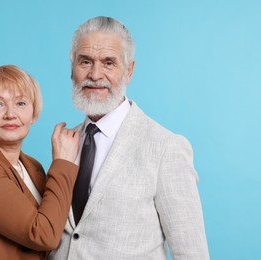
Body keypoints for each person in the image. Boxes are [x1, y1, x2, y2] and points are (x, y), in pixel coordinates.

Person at [49, 16, 209, 259]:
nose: (95, 74)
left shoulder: (166, 148)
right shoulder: (65, 142)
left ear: (129, 70)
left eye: (109, 63)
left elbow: (192, 253)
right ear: (72, 68)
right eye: (85, 61)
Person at [0, 65, 80, 259]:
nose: (10, 114)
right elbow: (44, 235)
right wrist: (62, 163)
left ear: (33, 113)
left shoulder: (33, 167)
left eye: (20, 103)